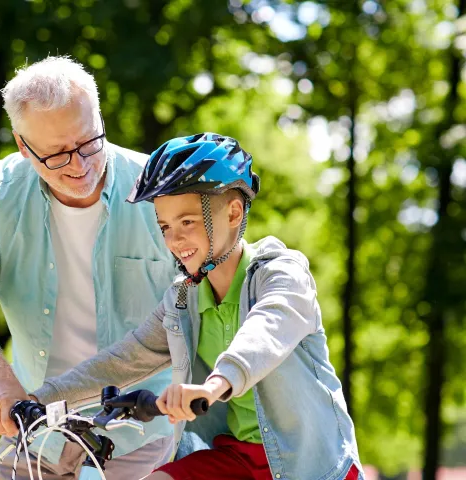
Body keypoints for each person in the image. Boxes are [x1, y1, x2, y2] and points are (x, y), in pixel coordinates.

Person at [29, 133, 364, 480]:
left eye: (187, 222)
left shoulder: (282, 273)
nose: (174, 240)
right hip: (236, 460)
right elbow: (122, 360)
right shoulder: (182, 300)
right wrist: (39, 399)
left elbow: (266, 331)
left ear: (234, 212)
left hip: (310, 467)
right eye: (165, 226)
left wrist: (214, 385)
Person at [0, 55, 179, 479]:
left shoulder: (163, 191)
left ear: (99, 118)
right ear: (24, 147)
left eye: (87, 143)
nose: (79, 167)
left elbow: (209, 303)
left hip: (144, 426)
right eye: (58, 155)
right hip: (33, 421)